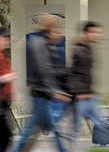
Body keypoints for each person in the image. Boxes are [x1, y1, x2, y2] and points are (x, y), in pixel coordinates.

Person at [11, 14, 69, 152]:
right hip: (41, 94)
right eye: (56, 30)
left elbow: (49, 70)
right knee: (52, 128)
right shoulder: (39, 44)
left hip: (41, 94)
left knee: (34, 129)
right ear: (50, 28)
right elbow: (44, 70)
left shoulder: (41, 43)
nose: (59, 34)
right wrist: (54, 91)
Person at [68, 21, 106, 144]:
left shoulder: (88, 48)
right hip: (81, 98)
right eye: (93, 32)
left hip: (89, 96)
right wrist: (79, 94)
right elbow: (74, 73)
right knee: (74, 131)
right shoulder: (77, 50)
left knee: (103, 126)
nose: (97, 35)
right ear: (85, 33)